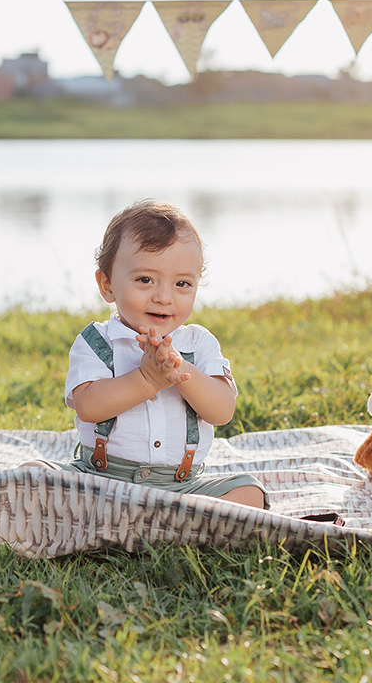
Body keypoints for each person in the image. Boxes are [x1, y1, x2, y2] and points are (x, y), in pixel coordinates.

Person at [26, 199, 268, 509]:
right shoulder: (97, 341)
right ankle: (166, 521)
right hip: (100, 481)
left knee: (250, 491)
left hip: (182, 487)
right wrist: (147, 379)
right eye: (145, 280)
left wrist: (181, 370)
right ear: (107, 285)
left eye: (182, 283)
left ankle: (168, 518)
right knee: (31, 476)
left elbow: (222, 411)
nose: (164, 297)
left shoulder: (198, 343)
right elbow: (88, 406)